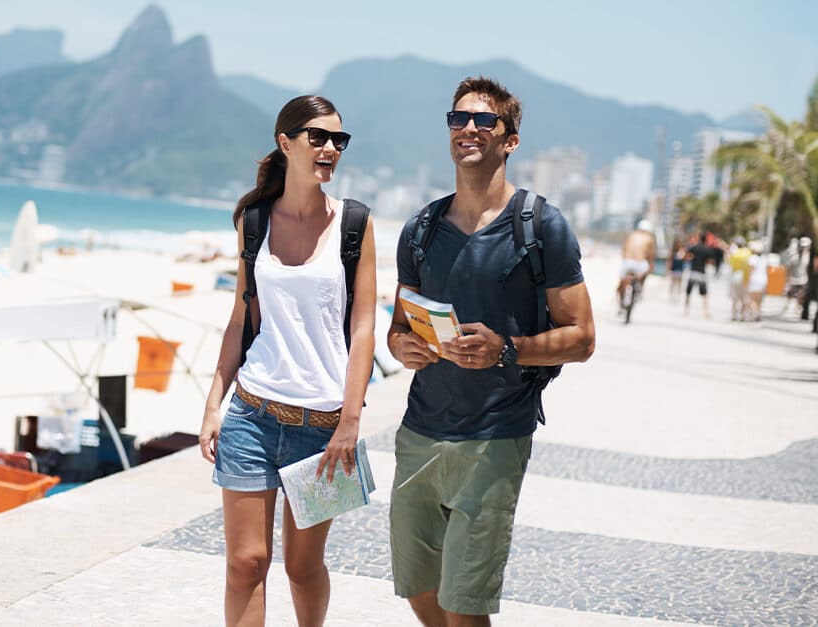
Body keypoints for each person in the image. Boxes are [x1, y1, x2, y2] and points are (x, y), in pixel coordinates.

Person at [386, 76, 595, 625]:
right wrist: (405, 348)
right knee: (418, 588)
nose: (469, 129)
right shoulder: (421, 229)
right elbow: (398, 328)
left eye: (484, 121)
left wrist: (508, 350)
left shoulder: (541, 226)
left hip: (495, 437)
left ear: (511, 140)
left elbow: (582, 338)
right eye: (459, 120)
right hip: (421, 431)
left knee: (465, 605)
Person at [197, 95, 376, 627]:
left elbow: (363, 325)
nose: (329, 149)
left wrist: (350, 420)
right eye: (317, 137)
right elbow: (239, 318)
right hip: (252, 414)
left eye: (338, 140)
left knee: (303, 567)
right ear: (286, 143)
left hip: (322, 428)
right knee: (245, 562)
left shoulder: (355, 224)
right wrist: (214, 406)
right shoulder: (253, 221)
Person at [617, 218, 656, 313]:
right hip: (640, 264)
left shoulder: (632, 235)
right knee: (646, 272)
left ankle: (621, 303)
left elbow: (624, 249)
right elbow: (651, 255)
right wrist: (651, 265)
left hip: (627, 262)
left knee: (621, 284)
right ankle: (640, 287)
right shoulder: (650, 238)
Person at [684, 233, 713, 319]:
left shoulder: (695, 247)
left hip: (693, 272)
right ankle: (706, 311)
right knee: (704, 294)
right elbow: (710, 261)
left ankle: (686, 310)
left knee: (688, 293)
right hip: (702, 273)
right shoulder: (707, 249)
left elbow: (687, 254)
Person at [727, 236, 751, 321]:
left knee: (735, 298)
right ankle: (744, 315)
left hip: (735, 276)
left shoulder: (734, 253)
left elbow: (729, 262)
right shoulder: (748, 252)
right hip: (745, 276)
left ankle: (734, 315)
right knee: (744, 297)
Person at [667, 238, 687, 302]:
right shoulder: (673, 252)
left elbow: (685, 260)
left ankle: (677, 295)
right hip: (674, 269)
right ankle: (672, 295)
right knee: (673, 283)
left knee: (679, 284)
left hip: (680, 270)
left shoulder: (682, 251)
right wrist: (668, 268)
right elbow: (670, 260)